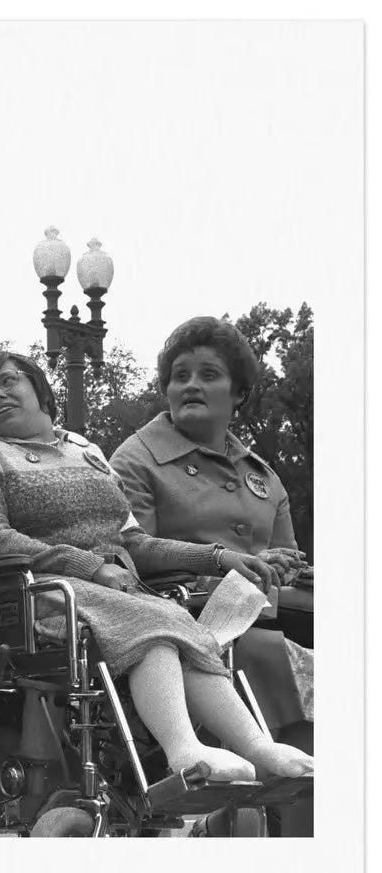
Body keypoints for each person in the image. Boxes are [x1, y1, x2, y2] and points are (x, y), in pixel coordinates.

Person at [0, 351, 313, 784]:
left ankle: (257, 749)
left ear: (41, 391)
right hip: (39, 589)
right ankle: (185, 750)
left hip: (117, 588)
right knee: (152, 620)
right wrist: (88, 566)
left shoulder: (86, 451)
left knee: (179, 625)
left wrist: (217, 557)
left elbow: (133, 541)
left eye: (8, 381)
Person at [110, 315, 314, 834]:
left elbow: (287, 553)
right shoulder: (134, 459)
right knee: (270, 654)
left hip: (272, 608)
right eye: (181, 375)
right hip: (186, 610)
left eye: (208, 374)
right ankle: (279, 808)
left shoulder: (262, 474)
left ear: (238, 393)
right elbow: (130, 552)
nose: (192, 385)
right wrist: (221, 559)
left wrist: (284, 563)